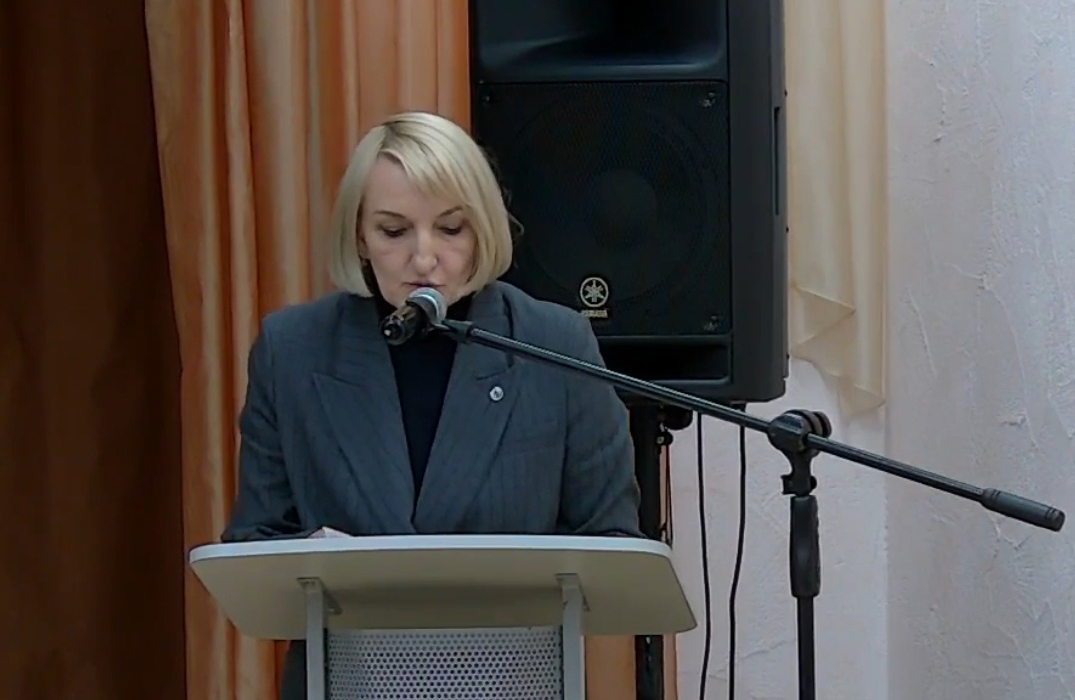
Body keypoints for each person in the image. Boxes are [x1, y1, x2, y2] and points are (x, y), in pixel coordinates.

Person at [220, 111, 642, 697]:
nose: (424, 259)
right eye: (394, 232)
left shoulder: (553, 343)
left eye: (450, 229)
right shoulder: (292, 350)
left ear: (483, 229)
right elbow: (253, 544)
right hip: (348, 682)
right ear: (359, 238)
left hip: (513, 683)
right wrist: (316, 564)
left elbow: (613, 542)